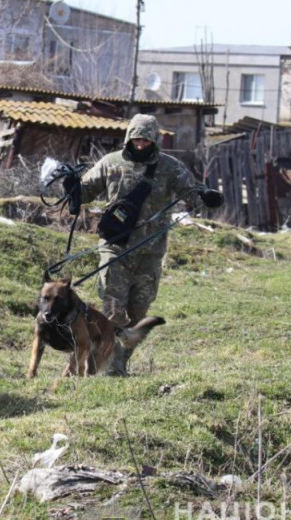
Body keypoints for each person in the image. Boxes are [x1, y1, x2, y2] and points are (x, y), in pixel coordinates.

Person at [72, 114, 223, 375]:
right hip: (116, 249)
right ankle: (107, 368)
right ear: (129, 137)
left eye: (146, 140)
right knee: (112, 312)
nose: (140, 144)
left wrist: (206, 196)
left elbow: (191, 190)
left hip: (151, 253)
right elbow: (84, 192)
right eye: (136, 139)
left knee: (137, 314)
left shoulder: (170, 167)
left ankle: (118, 360)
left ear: (154, 140)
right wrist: (72, 190)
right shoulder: (110, 163)